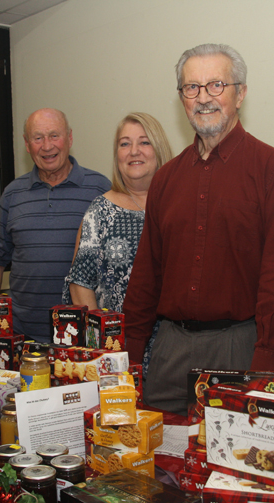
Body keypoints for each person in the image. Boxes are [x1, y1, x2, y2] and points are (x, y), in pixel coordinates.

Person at [123, 44, 274, 415]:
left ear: (240, 93)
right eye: (192, 88)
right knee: (157, 464)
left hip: (238, 348)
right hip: (169, 350)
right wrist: (128, 356)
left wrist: (264, 369)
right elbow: (147, 276)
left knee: (230, 466)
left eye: (216, 85)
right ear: (182, 99)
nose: (203, 98)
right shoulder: (166, 179)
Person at [0, 108, 111, 342]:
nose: (47, 146)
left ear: (69, 138)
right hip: (23, 336)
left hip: (82, 339)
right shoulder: (12, 194)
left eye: (54, 135)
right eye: (38, 138)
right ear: (27, 144)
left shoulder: (100, 189)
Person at [63, 112, 173, 373]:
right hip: (117, 350)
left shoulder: (180, 206)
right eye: (124, 144)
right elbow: (80, 285)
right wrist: (102, 351)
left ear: (159, 149)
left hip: (173, 352)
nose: (134, 151)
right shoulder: (100, 211)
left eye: (144, 142)